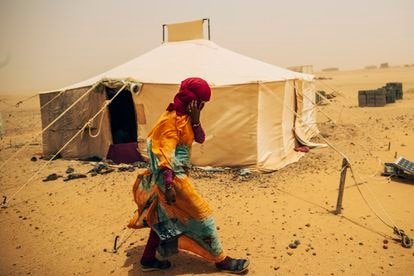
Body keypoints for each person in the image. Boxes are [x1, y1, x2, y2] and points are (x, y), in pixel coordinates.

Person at [128, 77, 249, 273]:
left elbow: (200, 138)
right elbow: (164, 154)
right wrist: (168, 185)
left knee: (163, 217)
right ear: (192, 100)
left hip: (178, 175)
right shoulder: (169, 121)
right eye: (201, 102)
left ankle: (148, 259)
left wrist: (196, 121)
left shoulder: (186, 118)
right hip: (171, 177)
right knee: (202, 215)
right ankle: (221, 260)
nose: (202, 106)